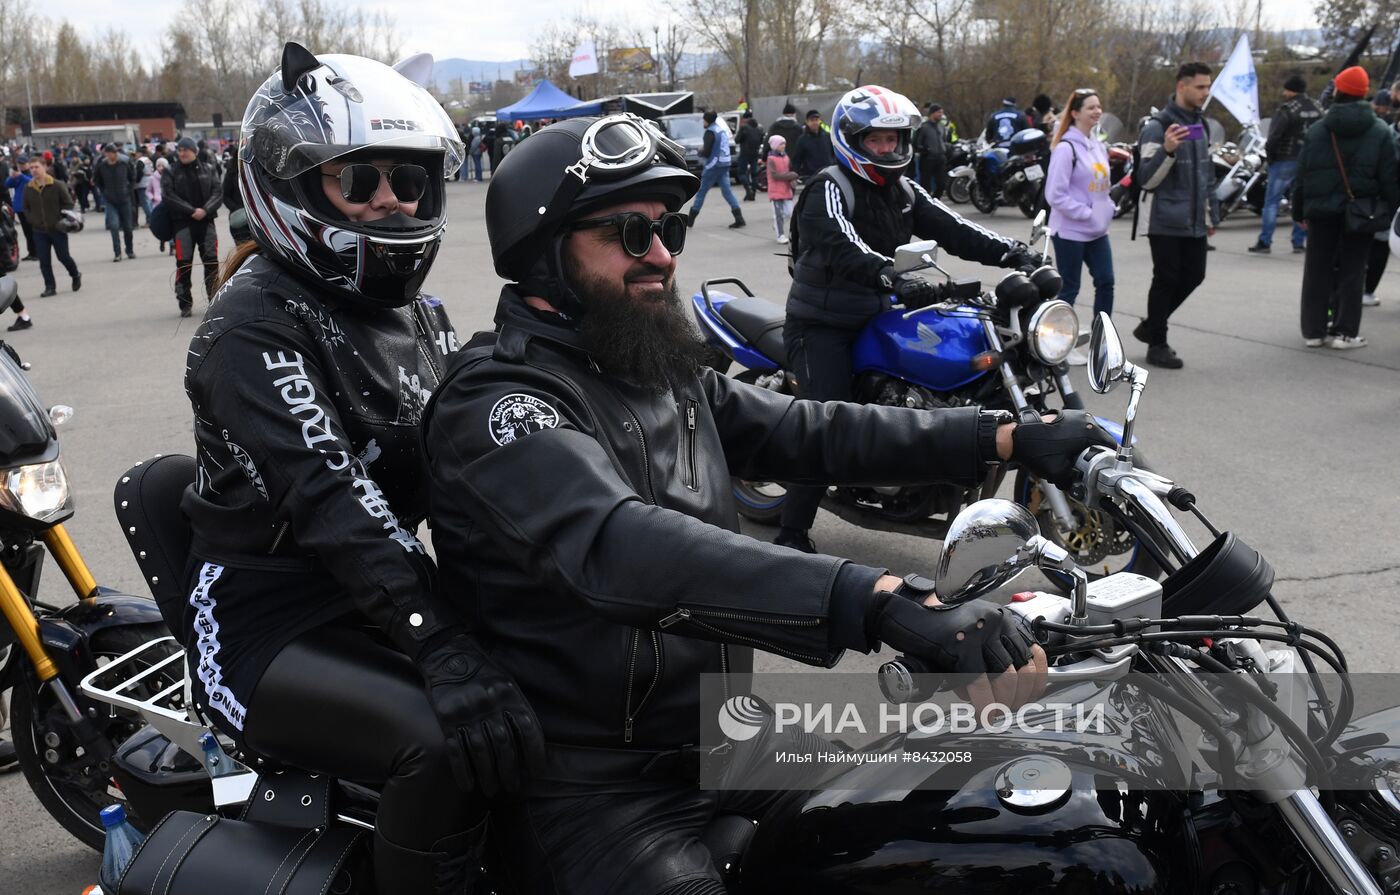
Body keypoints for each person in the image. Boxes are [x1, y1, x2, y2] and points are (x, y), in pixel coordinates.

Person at [422, 109, 1110, 895]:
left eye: (670, 229)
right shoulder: (501, 403)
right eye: (628, 233)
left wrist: (1003, 437)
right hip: (596, 784)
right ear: (544, 256)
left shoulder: (650, 365)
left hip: (723, 738)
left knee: (954, 822)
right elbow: (619, 545)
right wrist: (881, 596)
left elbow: (812, 428)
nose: (659, 256)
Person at [180, 43, 543, 895]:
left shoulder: (418, 313)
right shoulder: (250, 331)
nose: (391, 199)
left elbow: (481, 444)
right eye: (361, 179)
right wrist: (442, 641)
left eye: (408, 180)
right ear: (294, 188)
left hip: (381, 594)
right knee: (444, 742)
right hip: (266, 624)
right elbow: (332, 495)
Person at [776, 85, 1043, 552]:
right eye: (876, 140)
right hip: (823, 324)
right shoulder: (828, 187)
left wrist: (1014, 253)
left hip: (881, 313)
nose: (887, 149)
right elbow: (842, 245)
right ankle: (792, 530)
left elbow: (954, 228)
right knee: (829, 424)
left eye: (894, 140)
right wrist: (888, 274)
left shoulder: (903, 190)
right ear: (852, 140)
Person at [1293, 65, 1398, 350]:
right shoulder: (1379, 131)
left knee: (1317, 270)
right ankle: (1345, 333)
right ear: (1363, 94)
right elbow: (1390, 176)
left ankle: (1314, 331)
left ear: (1338, 91)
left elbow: (1301, 176)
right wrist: (1391, 207)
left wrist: (1298, 211)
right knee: (1353, 270)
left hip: (1321, 213)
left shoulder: (1318, 130)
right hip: (1361, 211)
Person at [1133, 61, 1218, 369]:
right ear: (1182, 86)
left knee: (1195, 275)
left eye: (1208, 86)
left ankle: (1152, 324)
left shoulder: (1202, 124)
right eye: (1200, 87)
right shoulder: (1157, 126)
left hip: (1194, 218)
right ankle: (1157, 343)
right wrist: (1167, 150)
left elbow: (1206, 173)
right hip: (1164, 218)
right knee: (1166, 279)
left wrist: (1212, 214)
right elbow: (1146, 179)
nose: (1205, 92)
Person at [1045, 87, 1115, 363]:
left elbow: (1101, 189)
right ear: (1075, 113)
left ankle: (1102, 342)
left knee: (1106, 281)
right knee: (1069, 288)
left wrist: (1108, 207)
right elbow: (1055, 195)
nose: (1097, 111)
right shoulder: (1066, 148)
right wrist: (1085, 212)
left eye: (1099, 107)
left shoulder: (1098, 145)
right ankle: (1057, 344)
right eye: (1090, 107)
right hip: (1070, 231)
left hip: (1098, 231)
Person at [1249, 74, 1320, 255]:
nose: (1283, 93)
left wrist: (1270, 157)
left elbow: (1274, 137)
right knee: (1301, 202)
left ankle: (1265, 242)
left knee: (1271, 202)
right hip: (1309, 161)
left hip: (1284, 160)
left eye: (1286, 89)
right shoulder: (1318, 108)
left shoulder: (1287, 109)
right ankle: (1298, 242)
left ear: (1290, 90)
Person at [161, 136, 223, 317]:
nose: (182, 153)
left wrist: (205, 210)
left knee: (211, 263)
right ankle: (185, 303)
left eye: (185, 150)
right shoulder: (170, 172)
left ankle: (215, 300)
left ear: (194, 151)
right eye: (179, 150)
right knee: (183, 265)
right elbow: (168, 195)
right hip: (182, 225)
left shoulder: (209, 169)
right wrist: (191, 211)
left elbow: (218, 192)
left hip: (206, 223)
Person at [23, 157, 81, 297]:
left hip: (57, 229)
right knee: (44, 261)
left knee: (63, 257)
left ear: (45, 167)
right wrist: (33, 220)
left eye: (37, 167)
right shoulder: (29, 188)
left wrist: (62, 219)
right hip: (39, 230)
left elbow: (68, 204)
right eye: (32, 168)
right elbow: (26, 208)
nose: (34, 170)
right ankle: (50, 286)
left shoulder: (57, 185)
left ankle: (75, 274)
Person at [685, 109, 745, 229]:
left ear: (707, 120)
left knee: (701, 192)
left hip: (713, 165)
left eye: (704, 120)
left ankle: (690, 219)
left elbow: (707, 151)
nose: (703, 122)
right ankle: (739, 217)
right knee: (727, 191)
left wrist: (700, 151)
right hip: (725, 163)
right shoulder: (721, 130)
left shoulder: (710, 132)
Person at [93, 143, 137, 261]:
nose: (110, 156)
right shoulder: (102, 165)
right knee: (114, 226)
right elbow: (97, 180)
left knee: (128, 227)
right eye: (108, 154)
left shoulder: (124, 163)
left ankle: (130, 250)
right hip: (110, 200)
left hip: (125, 199)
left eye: (112, 153)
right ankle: (117, 253)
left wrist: (128, 190)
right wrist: (104, 192)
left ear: (116, 153)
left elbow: (133, 177)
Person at [766, 133, 799, 244]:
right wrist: (791, 176)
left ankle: (776, 225)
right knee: (778, 214)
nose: (783, 146)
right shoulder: (771, 159)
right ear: (775, 146)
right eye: (781, 144)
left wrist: (792, 180)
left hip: (786, 189)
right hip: (775, 190)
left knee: (790, 212)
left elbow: (789, 170)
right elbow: (774, 175)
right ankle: (780, 235)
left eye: (784, 144)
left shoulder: (786, 157)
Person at [913, 102, 948, 195]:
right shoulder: (924, 127)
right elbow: (916, 143)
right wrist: (925, 150)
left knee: (942, 184)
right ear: (933, 113)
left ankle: (935, 201)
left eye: (942, 112)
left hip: (940, 159)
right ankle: (927, 205)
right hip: (927, 159)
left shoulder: (941, 126)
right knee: (925, 185)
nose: (941, 115)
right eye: (939, 112)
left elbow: (944, 141)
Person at [4, 160, 36, 260]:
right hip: (20, 207)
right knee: (27, 232)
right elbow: (7, 184)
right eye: (20, 165)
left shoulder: (31, 173)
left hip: (30, 206)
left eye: (23, 164)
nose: (21, 166)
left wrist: (20, 176)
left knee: (33, 231)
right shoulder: (19, 176)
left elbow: (32, 182)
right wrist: (12, 176)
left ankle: (37, 253)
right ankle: (31, 252)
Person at [791, 108, 836, 178]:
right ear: (807, 122)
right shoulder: (802, 140)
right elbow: (797, 160)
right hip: (811, 177)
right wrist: (794, 175)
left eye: (816, 120)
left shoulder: (827, 136)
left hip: (829, 175)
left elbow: (834, 154)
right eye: (812, 120)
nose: (815, 122)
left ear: (820, 121)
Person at [735, 111, 764, 201]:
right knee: (754, 174)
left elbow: (737, 140)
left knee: (741, 173)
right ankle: (753, 193)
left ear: (744, 119)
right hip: (755, 153)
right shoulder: (759, 128)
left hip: (744, 153)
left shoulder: (744, 127)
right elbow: (761, 140)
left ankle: (748, 191)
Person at [149, 156, 169, 253]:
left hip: (169, 203)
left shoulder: (170, 176)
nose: (160, 167)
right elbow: (148, 191)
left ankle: (172, 246)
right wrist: (151, 197)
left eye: (163, 165)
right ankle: (162, 240)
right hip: (157, 203)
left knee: (171, 224)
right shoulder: (152, 178)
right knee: (162, 224)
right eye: (158, 165)